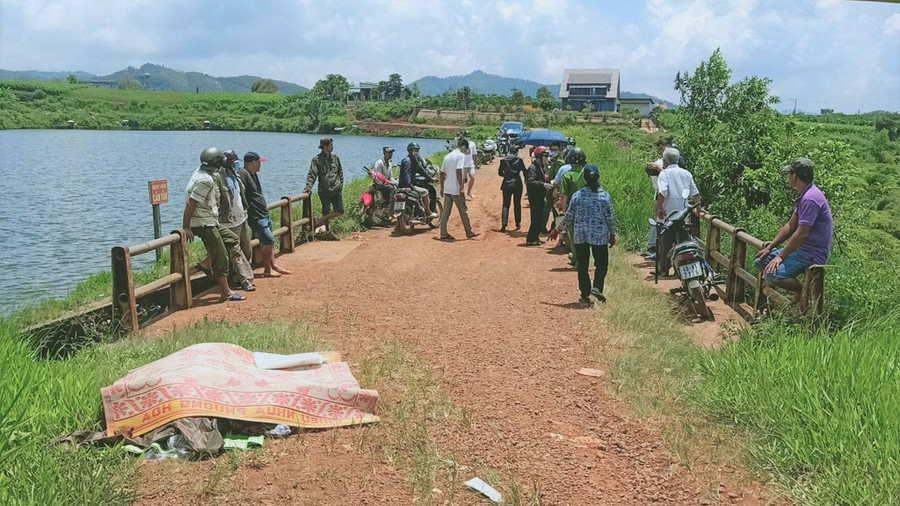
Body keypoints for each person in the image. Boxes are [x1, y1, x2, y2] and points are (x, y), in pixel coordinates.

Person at [754, 157, 833, 292]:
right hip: (802, 248)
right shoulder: (804, 194)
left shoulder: (810, 199)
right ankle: (802, 295)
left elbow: (802, 234)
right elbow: (791, 225)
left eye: (789, 173)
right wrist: (772, 246)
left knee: (772, 274)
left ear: (795, 176)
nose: (787, 177)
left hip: (812, 252)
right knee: (760, 262)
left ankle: (806, 294)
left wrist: (780, 256)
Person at [182, 147, 246, 302]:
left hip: (211, 220)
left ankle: (206, 264)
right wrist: (186, 226)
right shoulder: (206, 180)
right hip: (203, 223)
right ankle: (226, 292)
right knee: (221, 256)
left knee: (231, 239)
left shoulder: (200, 172)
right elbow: (191, 203)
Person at [549, 164, 617, 305]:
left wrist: (557, 229)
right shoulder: (604, 196)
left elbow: (568, 216)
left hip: (580, 236)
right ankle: (597, 287)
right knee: (601, 264)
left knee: (583, 266)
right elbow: (610, 218)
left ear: (584, 179)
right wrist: (612, 234)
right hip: (599, 236)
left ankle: (585, 295)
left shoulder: (577, 195)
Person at [238, 151, 292, 278]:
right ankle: (267, 269)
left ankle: (274, 266)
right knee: (269, 241)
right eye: (259, 162)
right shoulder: (243, 174)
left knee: (267, 241)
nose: (260, 165)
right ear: (252, 163)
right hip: (255, 215)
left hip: (263, 213)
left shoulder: (254, 174)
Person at [655, 147, 701, 276]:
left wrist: (659, 207)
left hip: (667, 215)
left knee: (665, 244)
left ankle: (664, 270)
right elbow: (695, 193)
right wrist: (698, 208)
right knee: (682, 241)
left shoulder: (664, 174)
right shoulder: (686, 173)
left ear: (665, 161)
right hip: (683, 215)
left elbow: (662, 192)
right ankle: (680, 269)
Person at [217, 150, 256, 292]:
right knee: (236, 252)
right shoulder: (218, 178)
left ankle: (237, 278)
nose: (236, 164)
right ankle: (245, 280)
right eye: (234, 162)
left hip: (242, 218)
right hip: (228, 221)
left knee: (247, 249)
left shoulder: (237, 176)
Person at [438, 138, 478, 241]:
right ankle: (469, 233)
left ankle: (443, 233)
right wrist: (461, 186)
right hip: (456, 189)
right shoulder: (460, 156)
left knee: (446, 212)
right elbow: (458, 171)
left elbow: (442, 173)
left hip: (447, 188)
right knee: (463, 211)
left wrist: (442, 187)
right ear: (464, 147)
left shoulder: (447, 156)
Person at [303, 137, 344, 229]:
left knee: (340, 211)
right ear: (325, 146)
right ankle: (327, 230)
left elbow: (340, 172)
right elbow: (312, 175)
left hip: (336, 189)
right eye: (331, 145)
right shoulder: (316, 160)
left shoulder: (336, 158)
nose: (332, 147)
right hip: (324, 190)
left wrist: (341, 184)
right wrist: (308, 187)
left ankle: (319, 221)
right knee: (326, 211)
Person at [558, 147, 587, 266]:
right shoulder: (587, 173)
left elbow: (563, 196)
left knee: (573, 235)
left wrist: (565, 212)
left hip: (572, 209)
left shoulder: (566, 175)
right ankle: (582, 258)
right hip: (587, 209)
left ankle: (576, 258)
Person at [644, 138, 672, 260]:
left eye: (662, 149)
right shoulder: (660, 162)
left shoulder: (671, 162)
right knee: (660, 222)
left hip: (669, 196)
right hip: (660, 194)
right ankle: (657, 249)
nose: (660, 152)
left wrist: (657, 168)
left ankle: (661, 251)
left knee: (664, 223)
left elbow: (669, 176)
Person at [525, 146, 553, 245]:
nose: (546, 158)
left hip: (540, 196)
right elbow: (530, 182)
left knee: (539, 218)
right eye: (545, 156)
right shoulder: (533, 168)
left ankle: (535, 238)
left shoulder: (541, 167)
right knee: (536, 218)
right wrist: (542, 184)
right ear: (539, 157)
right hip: (535, 197)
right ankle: (530, 239)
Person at [399, 142, 436, 219]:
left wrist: (430, 178)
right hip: (407, 185)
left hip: (405, 185)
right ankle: (428, 212)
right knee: (425, 192)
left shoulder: (413, 160)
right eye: (414, 150)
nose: (416, 152)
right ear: (410, 151)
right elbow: (407, 174)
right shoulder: (408, 161)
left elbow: (421, 170)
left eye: (417, 150)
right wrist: (409, 185)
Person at [498, 147, 526, 232]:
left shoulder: (503, 160)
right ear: (516, 152)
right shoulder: (519, 160)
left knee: (506, 204)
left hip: (506, 183)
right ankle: (518, 223)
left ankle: (504, 224)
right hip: (517, 183)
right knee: (517, 203)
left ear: (509, 151)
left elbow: (499, 173)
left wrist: (507, 176)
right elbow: (525, 171)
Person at [461, 131, 478, 200]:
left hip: (470, 164)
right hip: (462, 165)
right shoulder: (460, 144)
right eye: (466, 136)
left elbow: (474, 154)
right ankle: (462, 194)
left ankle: (469, 192)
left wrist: (476, 162)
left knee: (472, 177)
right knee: (461, 180)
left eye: (468, 135)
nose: (467, 137)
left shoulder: (472, 144)